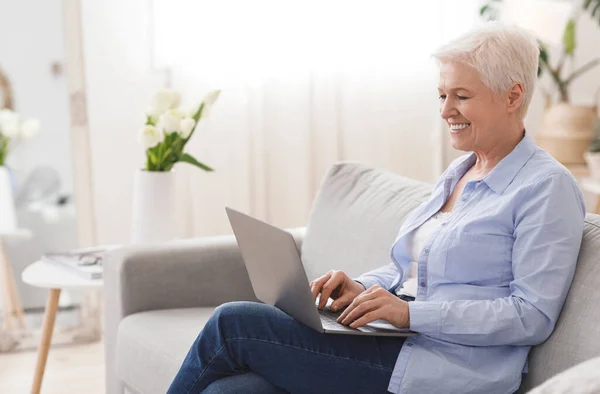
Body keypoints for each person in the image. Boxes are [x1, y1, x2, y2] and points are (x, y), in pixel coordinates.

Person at [166, 22, 586, 394]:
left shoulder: (546, 188)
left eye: (461, 96)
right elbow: (409, 272)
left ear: (513, 95)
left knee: (233, 323)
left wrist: (409, 314)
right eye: (441, 95)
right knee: (233, 390)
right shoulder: (461, 172)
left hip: (443, 368)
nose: (445, 111)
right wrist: (362, 288)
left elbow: (530, 315)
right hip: (389, 341)